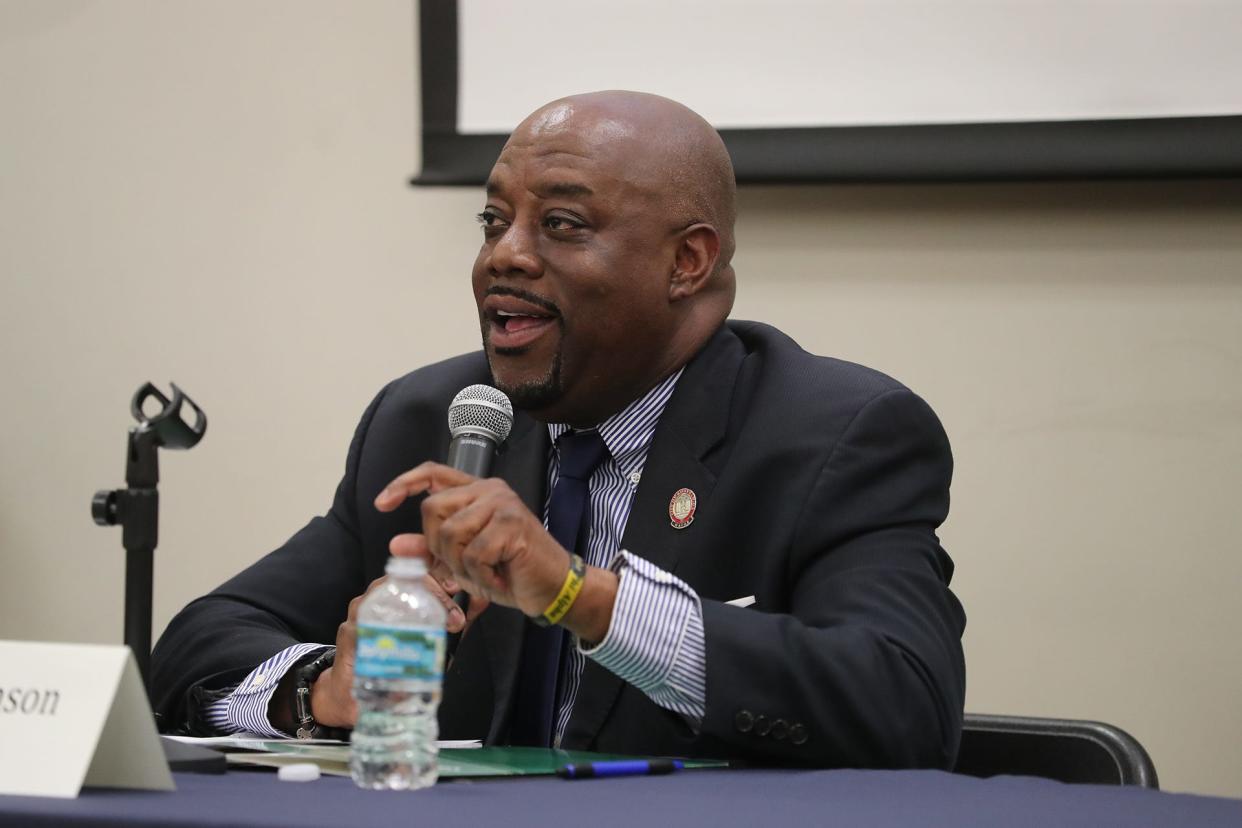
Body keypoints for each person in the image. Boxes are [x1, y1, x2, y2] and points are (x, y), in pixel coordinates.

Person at [151, 91, 966, 768]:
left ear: (687, 262)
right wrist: (322, 688)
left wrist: (583, 595)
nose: (504, 256)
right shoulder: (430, 420)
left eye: (562, 226)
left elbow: (904, 709)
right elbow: (196, 648)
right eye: (493, 221)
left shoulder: (837, 436)